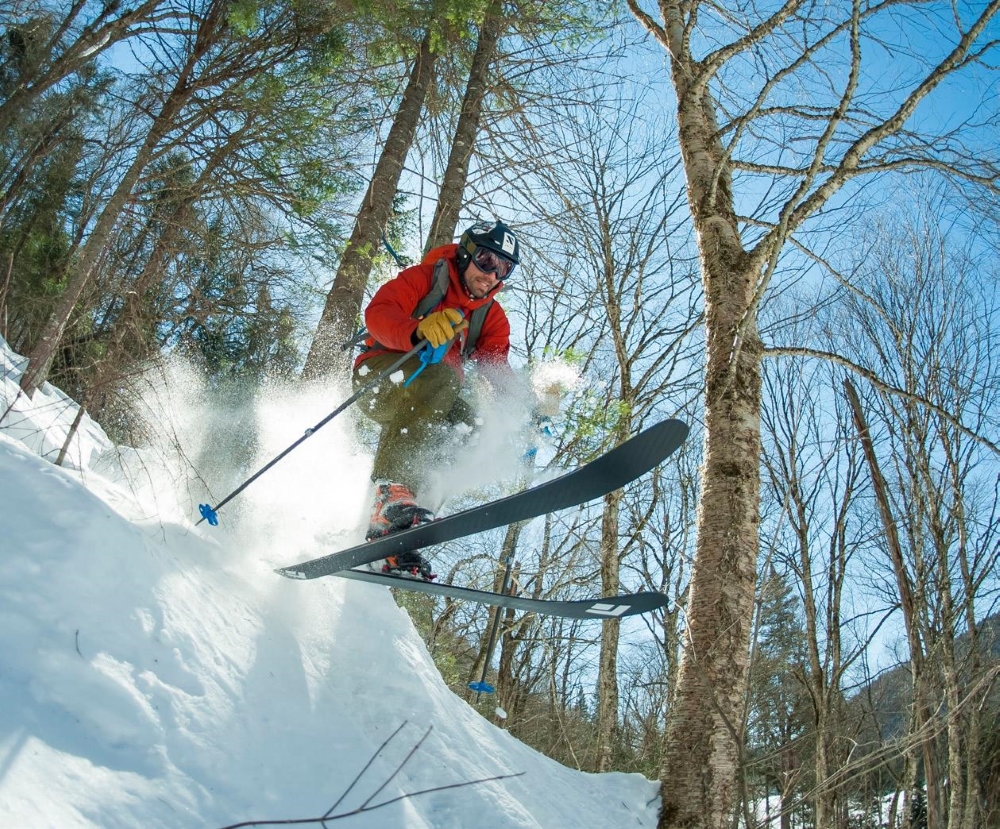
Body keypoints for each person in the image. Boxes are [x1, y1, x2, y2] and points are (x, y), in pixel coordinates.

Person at [353, 220, 520, 578]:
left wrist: (531, 407)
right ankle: (389, 495)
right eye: (487, 260)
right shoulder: (425, 279)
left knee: (471, 425)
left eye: (503, 268)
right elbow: (378, 313)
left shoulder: (490, 316)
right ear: (466, 254)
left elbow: (496, 369)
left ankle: (404, 530)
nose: (491, 274)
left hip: (433, 398)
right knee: (443, 379)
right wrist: (416, 331)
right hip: (382, 377)